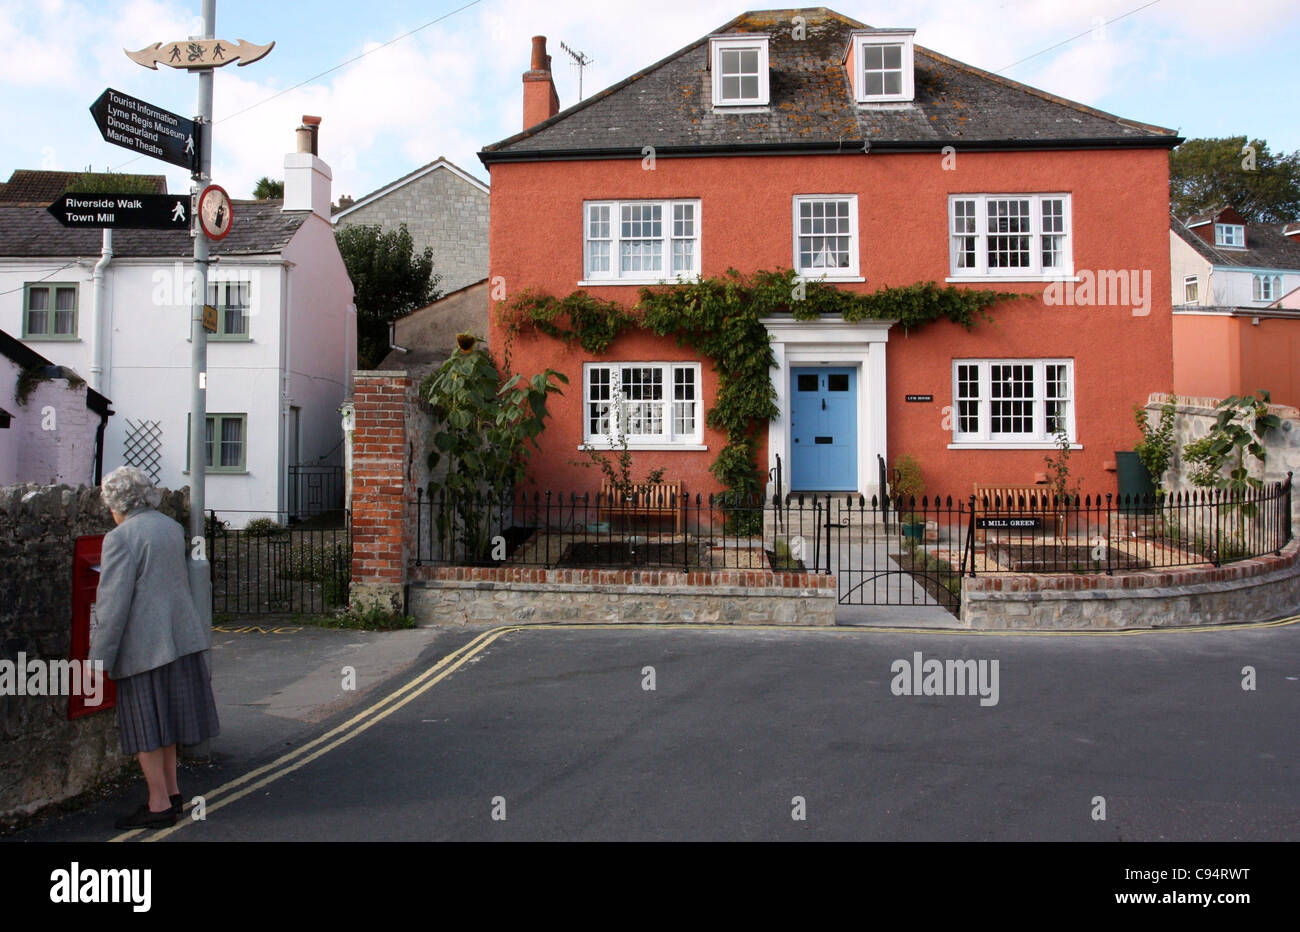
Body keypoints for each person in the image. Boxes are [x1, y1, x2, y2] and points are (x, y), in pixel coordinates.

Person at [89, 466, 219, 829]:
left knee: (146, 729)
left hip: (144, 649)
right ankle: (173, 794)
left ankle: (158, 804)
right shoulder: (170, 527)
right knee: (169, 725)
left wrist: (97, 659)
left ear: (118, 502)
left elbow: (113, 605)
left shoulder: (120, 538)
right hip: (179, 640)